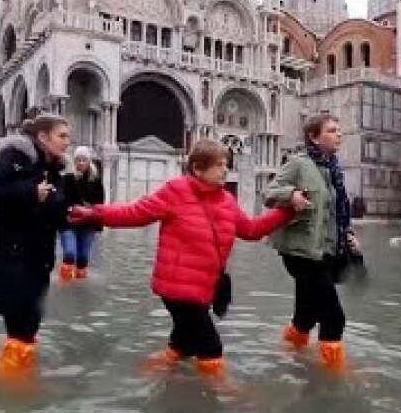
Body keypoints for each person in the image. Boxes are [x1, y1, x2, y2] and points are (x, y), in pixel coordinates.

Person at [69, 139, 293, 380]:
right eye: (219, 165)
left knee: (184, 342)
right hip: (178, 289)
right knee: (211, 346)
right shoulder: (176, 191)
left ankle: (153, 374)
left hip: (204, 286)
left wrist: (287, 212)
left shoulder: (227, 200)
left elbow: (250, 230)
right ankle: (219, 397)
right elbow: (134, 213)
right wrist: (94, 214)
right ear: (197, 168)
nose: (225, 170)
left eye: (226, 164)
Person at [264, 113, 362, 373]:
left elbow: (332, 212)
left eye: (339, 130)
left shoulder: (334, 169)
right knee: (334, 317)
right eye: (331, 130)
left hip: (326, 251)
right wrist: (292, 194)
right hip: (300, 252)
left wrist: (347, 235)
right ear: (314, 137)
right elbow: (269, 193)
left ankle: (288, 353)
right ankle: (334, 376)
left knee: (306, 316)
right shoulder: (298, 163)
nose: (339, 134)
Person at [0, 113, 71, 383]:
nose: (68, 142)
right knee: (20, 325)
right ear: (43, 137)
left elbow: (56, 208)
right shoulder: (15, 157)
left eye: (68, 136)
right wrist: (31, 192)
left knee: (29, 324)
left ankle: (19, 376)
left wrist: (73, 213)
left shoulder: (54, 168)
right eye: (62, 136)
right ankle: (10, 386)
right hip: (14, 256)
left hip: (39, 257)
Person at [59, 146, 105, 281]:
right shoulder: (67, 178)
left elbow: (100, 204)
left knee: (83, 257)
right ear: (74, 161)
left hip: (87, 224)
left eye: (84, 160)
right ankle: (66, 285)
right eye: (78, 160)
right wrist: (69, 208)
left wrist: (98, 225)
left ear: (89, 161)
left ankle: (79, 283)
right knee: (69, 253)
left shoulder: (96, 181)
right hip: (69, 222)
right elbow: (61, 199)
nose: (80, 163)